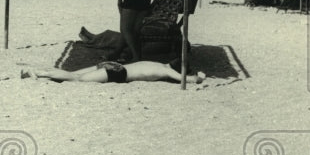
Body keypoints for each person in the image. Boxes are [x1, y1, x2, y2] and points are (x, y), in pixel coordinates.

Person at [20, 60, 205, 86]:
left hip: (113, 64)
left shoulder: (157, 62)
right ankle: (40, 74)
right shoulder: (166, 70)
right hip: (117, 73)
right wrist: (199, 77)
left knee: (71, 72)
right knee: (76, 78)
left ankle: (35, 70)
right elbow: (185, 79)